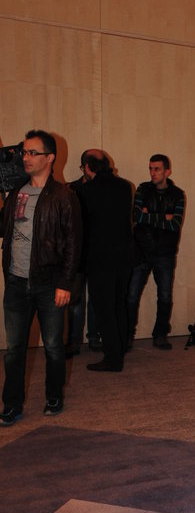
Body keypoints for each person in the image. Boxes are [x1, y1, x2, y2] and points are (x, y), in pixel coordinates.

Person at [0, 129, 82, 425]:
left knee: (53, 346)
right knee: (14, 350)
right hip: (16, 282)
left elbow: (73, 243)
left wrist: (65, 284)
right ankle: (11, 404)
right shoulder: (15, 192)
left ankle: (54, 395)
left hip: (49, 284)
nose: (26, 157)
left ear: (50, 158)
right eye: (24, 152)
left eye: (33, 152)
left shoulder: (63, 196)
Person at [77, 151, 133, 372]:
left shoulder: (85, 191)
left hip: (100, 258)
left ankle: (112, 357)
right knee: (119, 304)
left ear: (87, 168)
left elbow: (83, 226)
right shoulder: (125, 186)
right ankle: (120, 348)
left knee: (103, 308)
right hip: (124, 256)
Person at [126, 154, 185, 350]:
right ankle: (127, 335)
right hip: (141, 250)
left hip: (165, 252)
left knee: (165, 296)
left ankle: (160, 335)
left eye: (157, 169)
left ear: (167, 171)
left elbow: (175, 224)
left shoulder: (177, 194)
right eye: (150, 168)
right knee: (132, 295)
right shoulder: (143, 189)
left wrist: (149, 215)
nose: (152, 173)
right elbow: (136, 217)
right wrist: (163, 217)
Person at [65, 150, 101, 357]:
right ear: (84, 167)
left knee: (95, 299)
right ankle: (74, 341)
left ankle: (94, 338)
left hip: (96, 253)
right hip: (77, 253)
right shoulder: (71, 189)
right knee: (75, 300)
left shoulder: (103, 190)